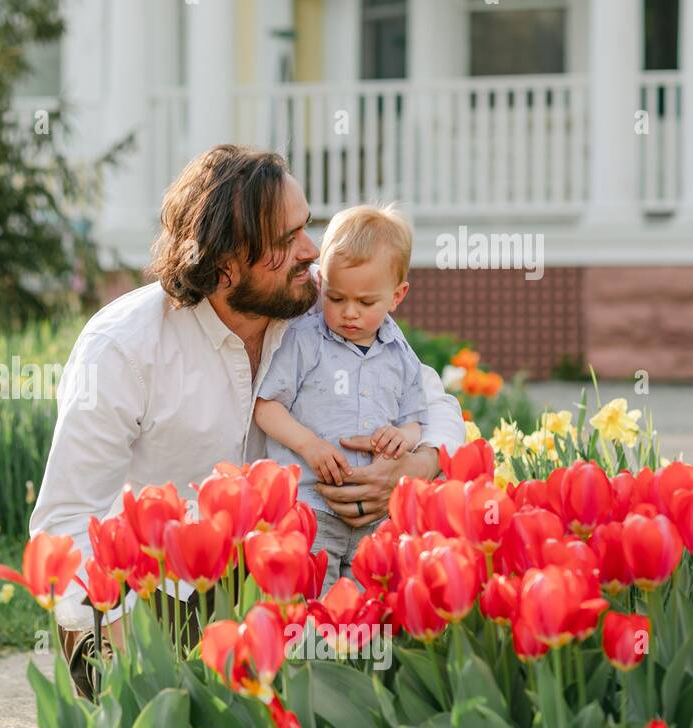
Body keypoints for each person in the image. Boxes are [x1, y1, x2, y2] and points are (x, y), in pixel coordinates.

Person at [29, 145, 465, 699]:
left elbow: (436, 404)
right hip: (162, 600)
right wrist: (122, 661)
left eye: (305, 228)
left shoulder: (324, 311)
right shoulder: (123, 347)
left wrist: (414, 467)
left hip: (296, 580)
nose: (312, 252)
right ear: (226, 263)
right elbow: (66, 520)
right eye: (287, 241)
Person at [253, 203, 427, 596]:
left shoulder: (400, 355)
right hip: (312, 507)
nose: (349, 313)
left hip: (374, 517)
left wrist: (405, 438)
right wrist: (309, 445)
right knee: (307, 608)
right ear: (321, 285)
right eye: (335, 297)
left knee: (364, 615)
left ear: (397, 296)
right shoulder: (306, 340)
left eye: (365, 303)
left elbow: (415, 419)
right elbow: (267, 406)